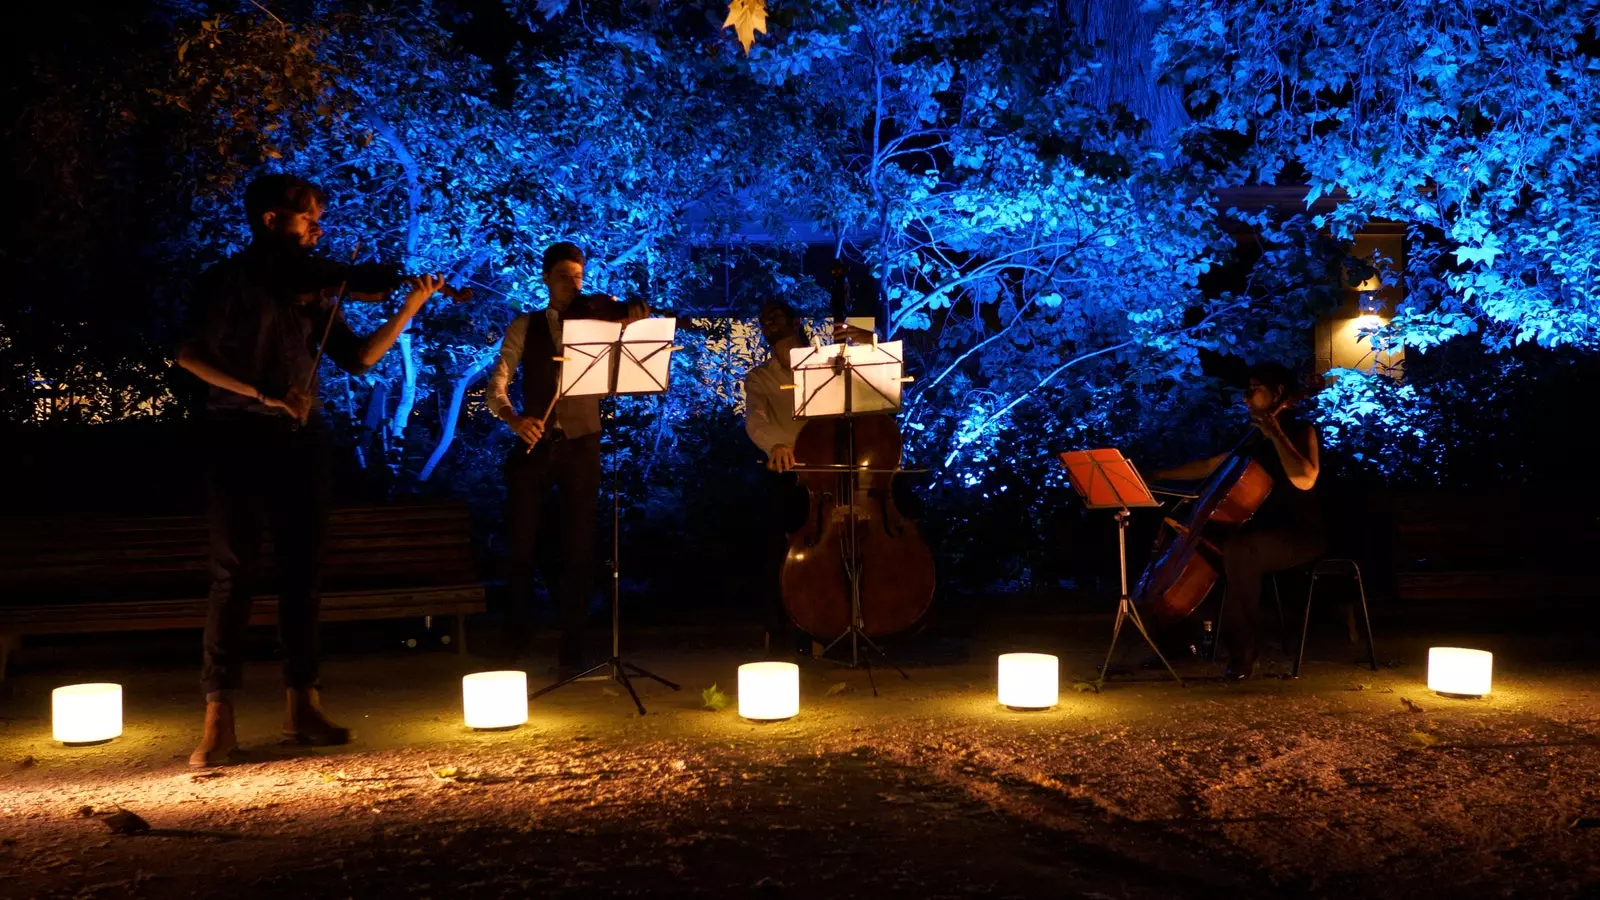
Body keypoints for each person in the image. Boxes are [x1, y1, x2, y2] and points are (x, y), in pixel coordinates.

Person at [176, 174, 446, 767]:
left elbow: (361, 359)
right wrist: (265, 392)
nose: (319, 231)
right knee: (234, 573)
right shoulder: (226, 281)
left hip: (300, 440)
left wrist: (408, 305)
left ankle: (304, 704)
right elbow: (190, 355)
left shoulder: (313, 293)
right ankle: (218, 715)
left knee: (303, 573)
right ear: (271, 221)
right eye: (308, 219)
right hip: (235, 438)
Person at [486, 242, 648, 673]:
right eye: (564, 276)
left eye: (578, 277)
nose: (573, 284)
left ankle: (573, 644)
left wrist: (632, 322)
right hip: (534, 441)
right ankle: (516, 633)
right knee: (522, 544)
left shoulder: (598, 324)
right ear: (545, 278)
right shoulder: (525, 324)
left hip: (583, 443)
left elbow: (620, 378)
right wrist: (514, 418)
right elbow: (497, 384)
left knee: (579, 545)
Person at [1152, 362, 1325, 680]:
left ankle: (1243, 650)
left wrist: (1275, 434)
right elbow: (1210, 466)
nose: (1246, 397)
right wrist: (1154, 476)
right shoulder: (1252, 438)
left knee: (1239, 550)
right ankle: (1176, 638)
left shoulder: (1301, 431)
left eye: (1254, 389)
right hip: (1256, 532)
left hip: (1300, 534)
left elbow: (1305, 478)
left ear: (1279, 393)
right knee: (1200, 545)